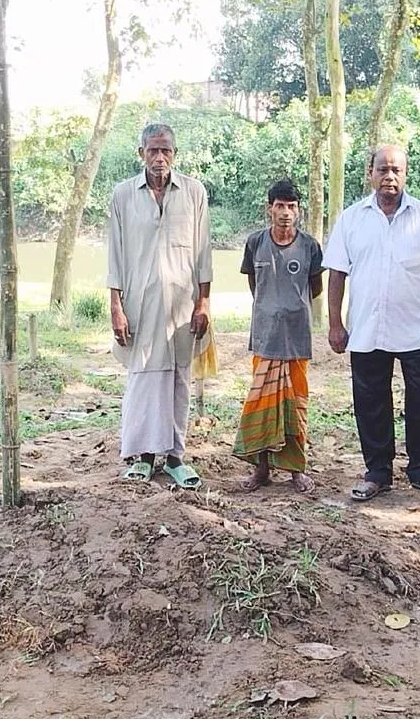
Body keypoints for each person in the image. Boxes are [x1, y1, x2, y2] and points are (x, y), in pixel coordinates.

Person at [323, 145, 420, 502]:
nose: (390, 177)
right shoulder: (351, 219)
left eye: (397, 170)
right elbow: (337, 273)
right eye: (383, 169)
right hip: (367, 328)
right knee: (370, 400)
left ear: (406, 174)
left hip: (416, 329)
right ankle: (378, 472)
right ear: (370, 173)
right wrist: (335, 323)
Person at [107, 123, 212, 489]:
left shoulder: (194, 193)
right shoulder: (123, 196)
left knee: (180, 377)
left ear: (175, 154)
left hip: (182, 308)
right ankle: (144, 456)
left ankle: (176, 457)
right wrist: (116, 308)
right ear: (141, 154)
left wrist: (204, 302)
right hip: (139, 303)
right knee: (143, 378)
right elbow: (114, 257)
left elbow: (203, 253)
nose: (159, 157)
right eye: (152, 150)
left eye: (166, 150)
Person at [233, 179, 324, 493]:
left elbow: (315, 288)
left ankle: (296, 470)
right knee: (262, 402)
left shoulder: (310, 246)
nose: (286, 213)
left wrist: (289, 308)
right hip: (264, 336)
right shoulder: (255, 243)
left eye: (292, 207)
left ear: (298, 211)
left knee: (295, 404)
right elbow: (254, 284)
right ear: (269, 208)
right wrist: (270, 308)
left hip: (297, 337)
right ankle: (261, 470)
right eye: (280, 206)